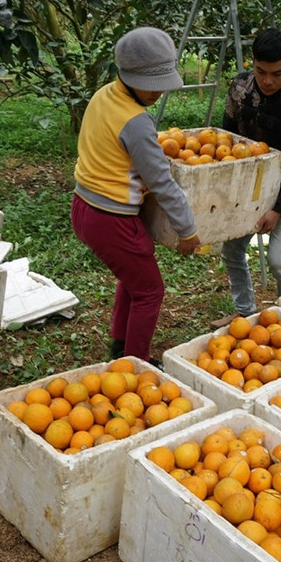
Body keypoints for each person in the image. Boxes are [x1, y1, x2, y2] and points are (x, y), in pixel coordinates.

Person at [71, 27, 201, 364]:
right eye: (154, 84)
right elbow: (163, 183)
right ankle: (137, 363)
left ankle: (121, 344)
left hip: (84, 205)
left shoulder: (104, 95)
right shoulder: (137, 123)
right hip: (111, 219)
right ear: (130, 77)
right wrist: (187, 231)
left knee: (134, 278)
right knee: (151, 290)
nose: (159, 92)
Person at [212, 28, 281, 328]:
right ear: (253, 63)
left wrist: (278, 209)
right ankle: (244, 312)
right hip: (246, 188)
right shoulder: (239, 89)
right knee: (232, 250)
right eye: (261, 71)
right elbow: (228, 140)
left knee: (279, 261)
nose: (268, 81)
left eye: (277, 73)